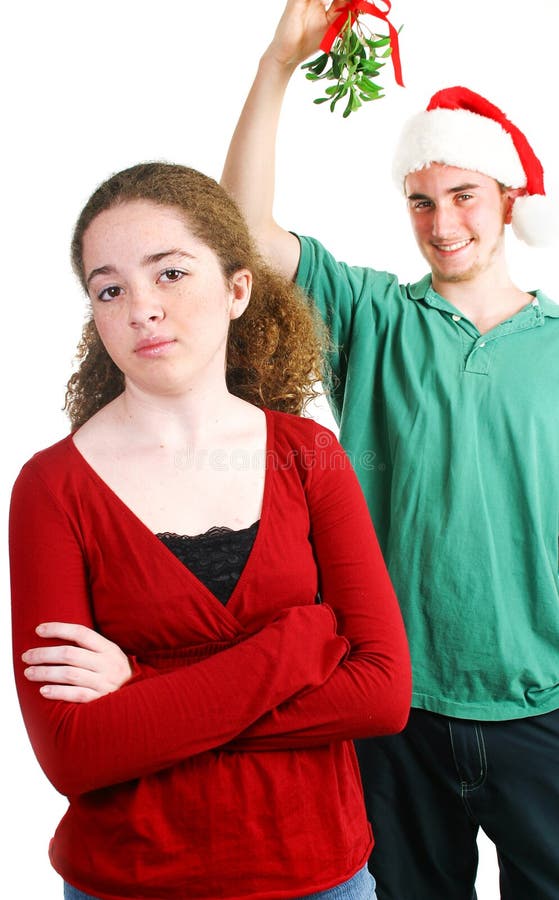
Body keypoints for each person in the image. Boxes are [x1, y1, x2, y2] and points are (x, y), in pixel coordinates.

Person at [220, 1, 559, 898]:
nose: (440, 221)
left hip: (544, 707)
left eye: (462, 197)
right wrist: (276, 64)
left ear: (507, 200)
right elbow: (241, 239)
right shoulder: (374, 316)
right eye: (421, 201)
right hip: (390, 700)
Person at [9, 161, 411, 900]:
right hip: (127, 881)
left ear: (236, 289)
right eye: (110, 288)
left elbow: (381, 695)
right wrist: (299, 643)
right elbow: (73, 751)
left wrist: (144, 692)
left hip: (319, 876)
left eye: (169, 274)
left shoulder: (308, 454)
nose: (141, 309)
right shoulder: (51, 487)